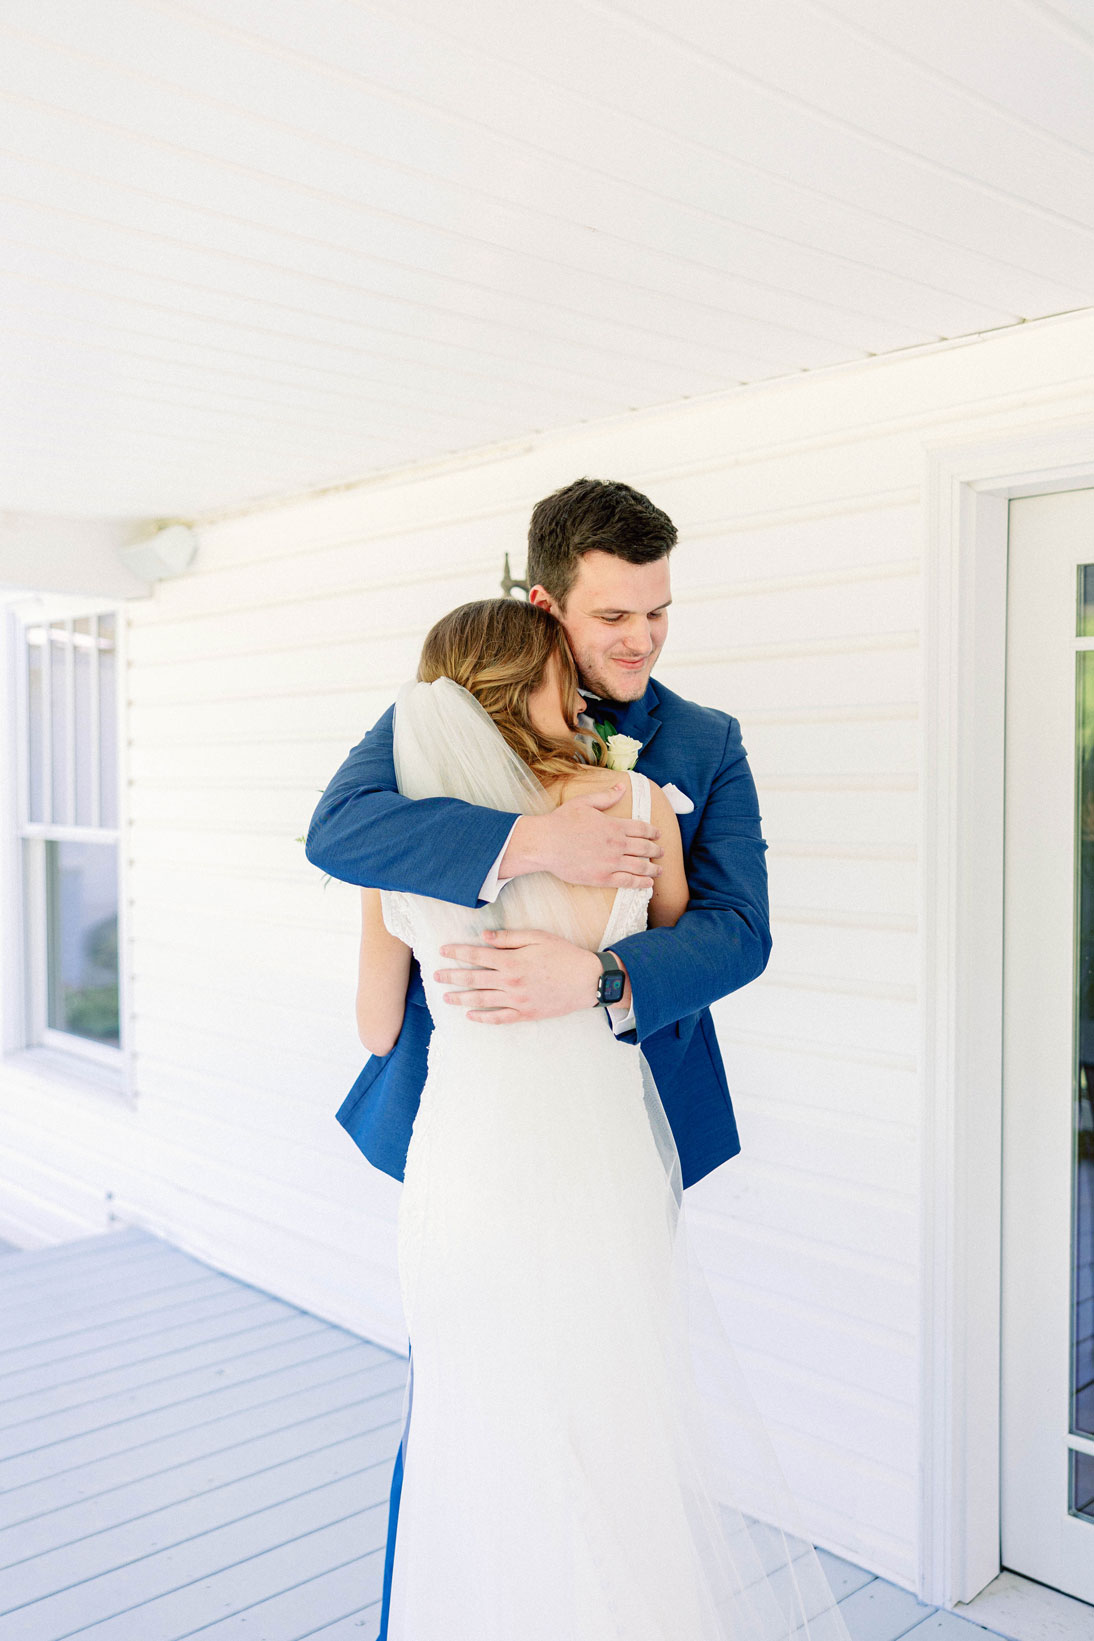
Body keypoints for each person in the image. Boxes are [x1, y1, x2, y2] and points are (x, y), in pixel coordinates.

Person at [306, 482, 853, 1640]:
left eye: (657, 613)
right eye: (613, 618)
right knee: (470, 1411)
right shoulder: (431, 717)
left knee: (613, 1394)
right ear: (545, 609)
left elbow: (737, 930)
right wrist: (528, 839)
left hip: (619, 1116)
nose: (641, 641)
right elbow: (338, 828)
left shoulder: (702, 743)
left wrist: (601, 981)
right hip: (471, 1126)